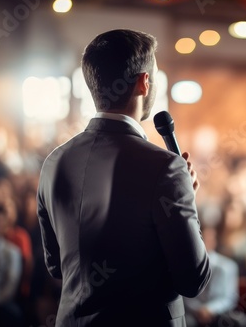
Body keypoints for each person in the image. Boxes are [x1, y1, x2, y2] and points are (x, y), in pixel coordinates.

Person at [36, 29, 211, 327]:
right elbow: (193, 280)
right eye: (154, 74)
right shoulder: (166, 168)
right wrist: (187, 203)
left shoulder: (54, 161)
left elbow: (56, 266)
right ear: (144, 82)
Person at [184, 223, 246, 327]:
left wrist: (210, 309)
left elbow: (230, 298)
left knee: (241, 322)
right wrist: (198, 310)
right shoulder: (186, 265)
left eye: (211, 237)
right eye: (203, 236)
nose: (207, 240)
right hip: (193, 312)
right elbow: (184, 295)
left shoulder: (229, 265)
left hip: (218, 312)